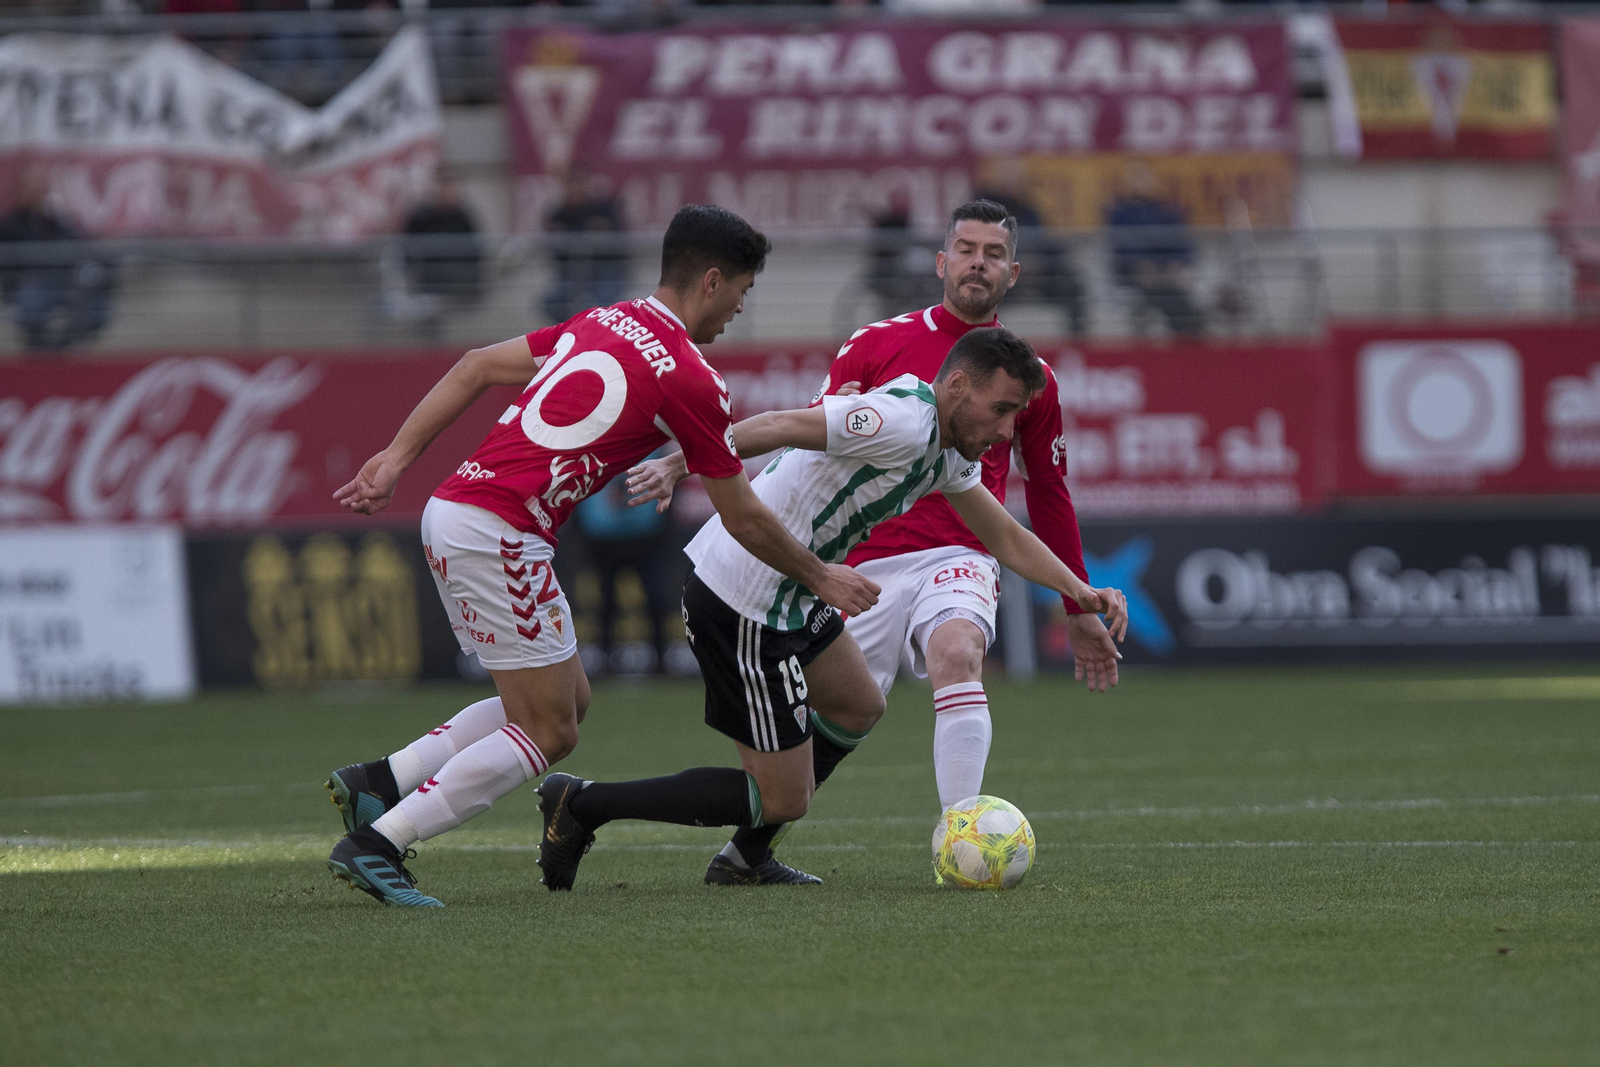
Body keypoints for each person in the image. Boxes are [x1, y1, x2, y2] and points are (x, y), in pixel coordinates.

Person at [321, 204, 879, 907]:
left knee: (567, 700)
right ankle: (382, 841)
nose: (740, 308)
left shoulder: (602, 320)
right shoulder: (691, 375)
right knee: (549, 727)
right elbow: (739, 514)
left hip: (457, 508)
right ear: (712, 280)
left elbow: (473, 365)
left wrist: (395, 460)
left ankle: (381, 780)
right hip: (501, 531)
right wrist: (820, 573)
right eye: (742, 291)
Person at [536, 326, 1127, 891]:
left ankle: (746, 857)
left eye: (1015, 415)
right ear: (956, 389)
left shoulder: (946, 453)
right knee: (785, 798)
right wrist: (677, 462)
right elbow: (781, 423)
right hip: (741, 597)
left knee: (858, 703)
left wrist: (1081, 592)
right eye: (1000, 409)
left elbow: (1004, 536)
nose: (1006, 430)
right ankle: (583, 803)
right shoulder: (900, 420)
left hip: (787, 592)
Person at [660, 198, 1130, 885]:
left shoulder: (1030, 381)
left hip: (958, 556)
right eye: (966, 248)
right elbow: (806, 444)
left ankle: (961, 844)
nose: (978, 262)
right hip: (863, 564)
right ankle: (748, 848)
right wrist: (737, 495)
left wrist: (1077, 603)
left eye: (993, 253)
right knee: (842, 716)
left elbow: (1041, 500)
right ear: (942, 262)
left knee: (957, 651)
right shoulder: (876, 346)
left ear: (1014, 272)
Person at [0, 172, 112, 352]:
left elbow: (76, 243)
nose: (38, 193)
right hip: (28, 284)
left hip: (62, 281)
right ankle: (40, 348)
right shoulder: (10, 224)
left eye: (41, 189)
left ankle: (62, 345)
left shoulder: (54, 220)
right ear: (21, 192)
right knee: (31, 302)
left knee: (95, 305)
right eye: (32, 188)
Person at [1104, 162, 1204, 338]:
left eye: (1144, 178)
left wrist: (1179, 264)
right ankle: (1188, 332)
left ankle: (1187, 333)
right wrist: (1139, 265)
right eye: (1135, 178)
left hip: (1165, 272)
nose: (1140, 183)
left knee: (1172, 291)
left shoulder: (1166, 211)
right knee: (1174, 300)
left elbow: (1181, 241)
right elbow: (1120, 245)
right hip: (1134, 273)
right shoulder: (1121, 213)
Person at [542, 167, 630, 325]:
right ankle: (571, 334)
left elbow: (619, 244)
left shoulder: (603, 208)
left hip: (606, 273)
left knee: (602, 303)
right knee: (552, 303)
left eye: (579, 182)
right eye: (571, 183)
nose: (576, 188)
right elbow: (554, 251)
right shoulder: (559, 214)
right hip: (569, 276)